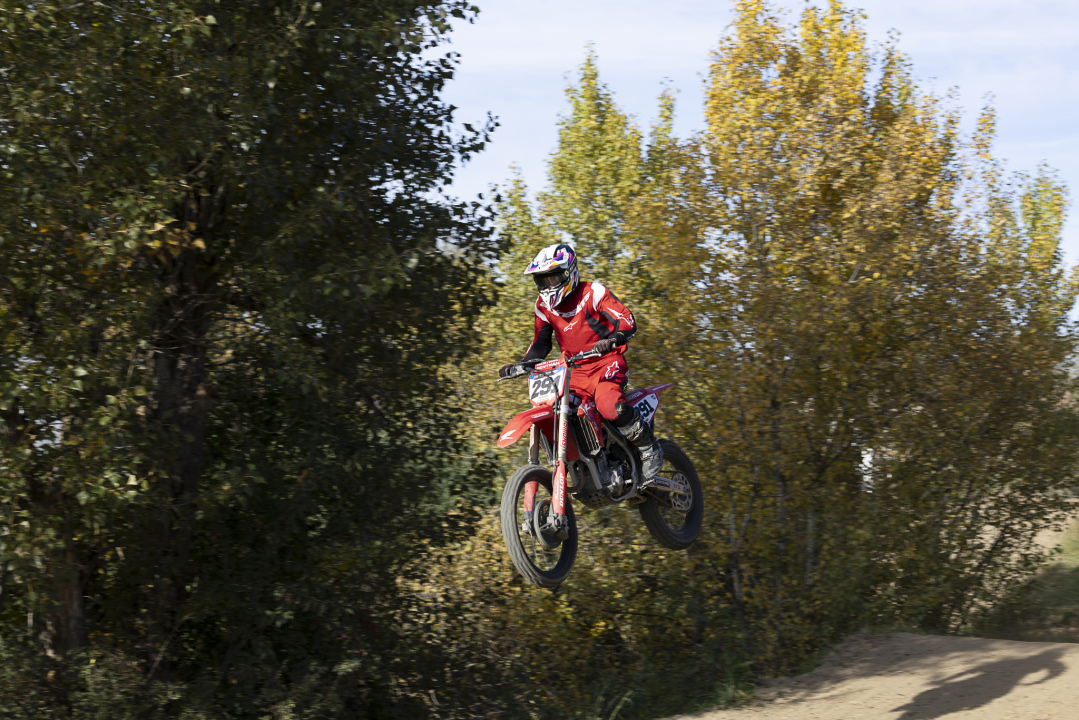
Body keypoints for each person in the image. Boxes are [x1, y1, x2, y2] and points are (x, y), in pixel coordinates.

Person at [499, 243, 663, 478]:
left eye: (553, 278)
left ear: (569, 273)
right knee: (556, 409)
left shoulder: (592, 293)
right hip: (572, 372)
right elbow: (540, 344)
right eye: (542, 281)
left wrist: (613, 339)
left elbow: (626, 320)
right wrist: (521, 365)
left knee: (608, 405)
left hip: (607, 363)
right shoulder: (542, 306)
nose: (548, 286)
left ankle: (649, 447)